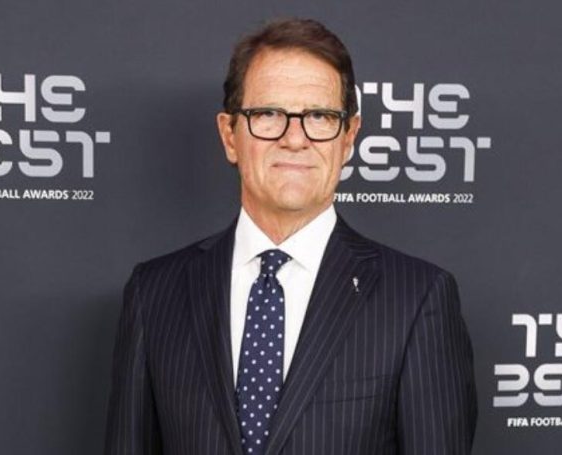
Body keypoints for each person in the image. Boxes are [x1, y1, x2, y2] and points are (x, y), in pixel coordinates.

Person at [104, 18, 477, 455]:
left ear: (348, 137)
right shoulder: (154, 294)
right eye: (268, 114)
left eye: (320, 116)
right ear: (229, 135)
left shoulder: (417, 299)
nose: (295, 139)